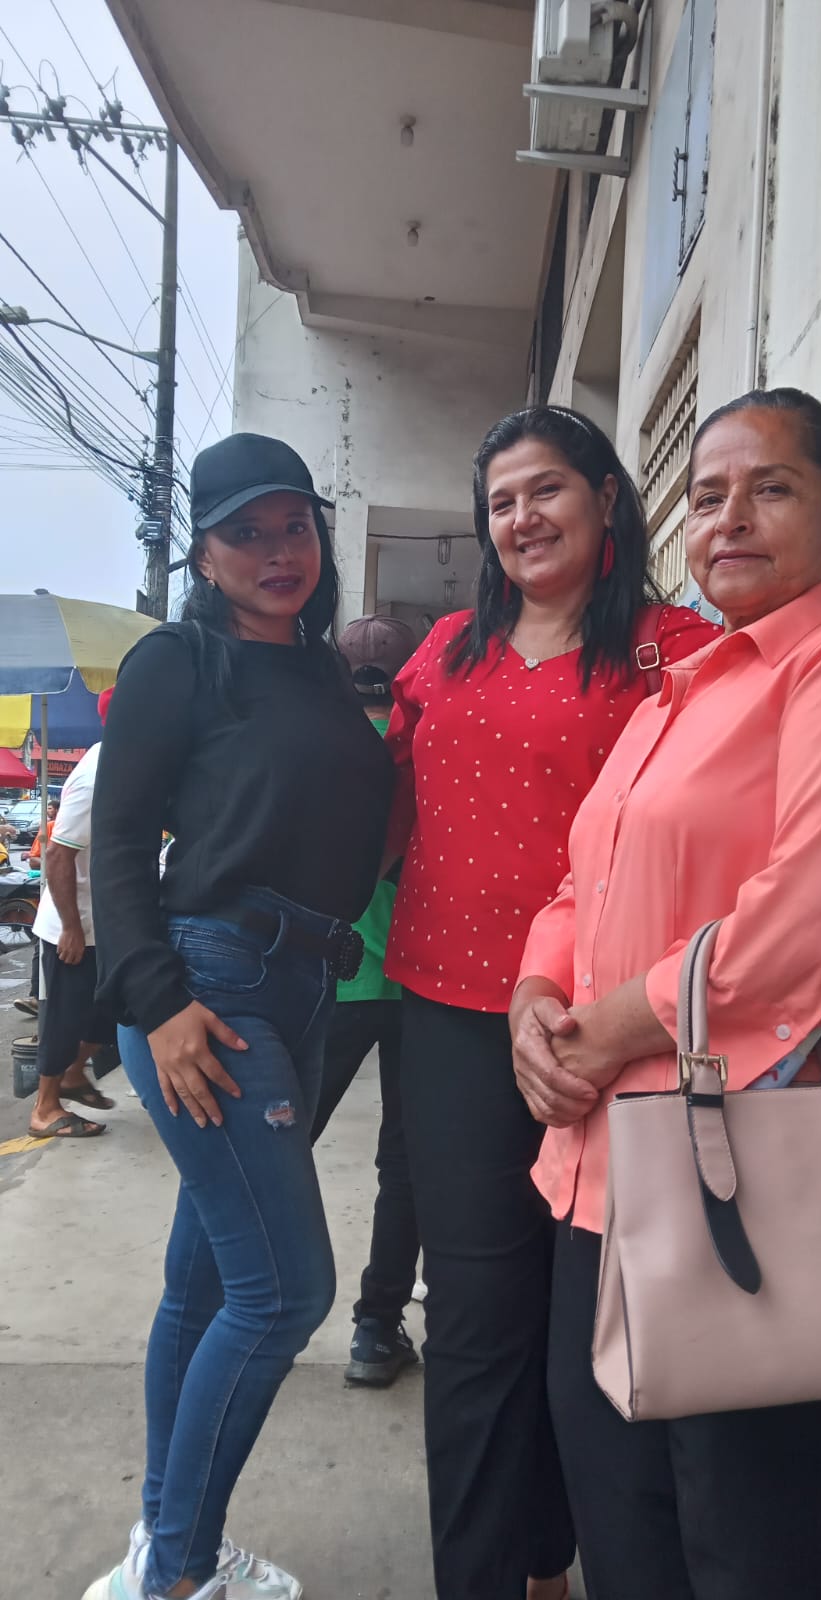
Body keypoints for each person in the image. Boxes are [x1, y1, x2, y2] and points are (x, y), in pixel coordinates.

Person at [511, 388, 821, 1600]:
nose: (728, 517)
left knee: (753, 1550)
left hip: (759, 1178)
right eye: (706, 494)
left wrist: (611, 1026)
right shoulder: (674, 695)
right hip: (601, 1180)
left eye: (770, 489)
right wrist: (535, 999)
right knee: (626, 1535)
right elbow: (581, 882)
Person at [383, 404, 718, 1600]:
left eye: (547, 490)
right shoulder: (445, 652)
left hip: (615, 1030)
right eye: (501, 502)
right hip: (451, 1020)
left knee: (591, 1329)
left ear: (606, 497)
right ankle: (485, 1575)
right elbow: (376, 797)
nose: (522, 518)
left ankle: (552, 1554)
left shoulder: (677, 653)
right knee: (479, 1323)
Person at [85, 432, 394, 1600]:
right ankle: (180, 1572)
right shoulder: (180, 661)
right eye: (246, 533)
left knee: (211, 1283)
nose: (278, 552)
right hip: (210, 985)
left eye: (294, 527)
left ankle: (162, 1542)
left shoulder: (321, 671)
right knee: (286, 1292)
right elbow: (119, 842)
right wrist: (157, 1000)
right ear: (205, 553)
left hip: (305, 984)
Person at [310, 613, 421, 1387]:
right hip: (422, 984)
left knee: (276, 1146)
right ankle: (376, 1329)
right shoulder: (430, 746)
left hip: (334, 979)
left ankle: (240, 1304)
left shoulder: (322, 744)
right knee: (405, 1163)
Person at [27, 703, 117, 1137]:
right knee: (63, 1018)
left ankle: (73, 1073)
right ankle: (44, 1108)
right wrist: (71, 927)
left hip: (105, 923)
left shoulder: (124, 764)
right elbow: (58, 854)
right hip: (73, 925)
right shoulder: (98, 774)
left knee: (112, 1012)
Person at [15, 798, 59, 1021]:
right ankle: (37, 996)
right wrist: (60, 862)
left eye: (52, 807)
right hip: (54, 897)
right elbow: (34, 860)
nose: (50, 810)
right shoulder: (50, 828)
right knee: (42, 946)